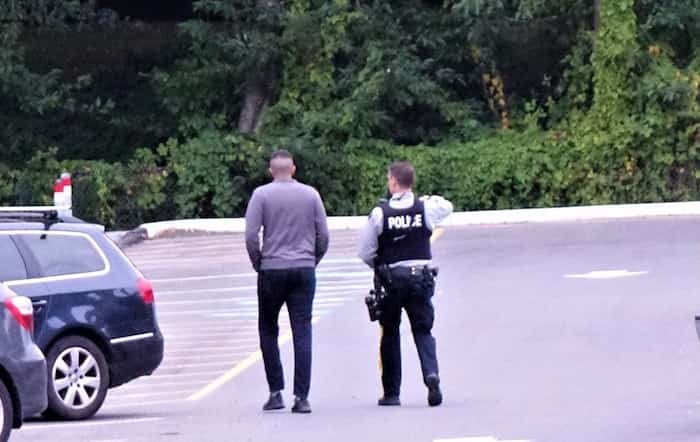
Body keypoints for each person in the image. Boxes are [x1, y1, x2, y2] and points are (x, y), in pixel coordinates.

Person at [358, 160, 453, 407]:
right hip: (420, 278)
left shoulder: (380, 213)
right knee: (423, 331)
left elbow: (365, 251)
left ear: (393, 182)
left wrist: (380, 267)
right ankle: (431, 375)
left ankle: (391, 393)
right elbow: (447, 206)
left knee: (389, 333)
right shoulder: (425, 208)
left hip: (392, 280)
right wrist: (425, 198)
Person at [245, 149, 329, 414]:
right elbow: (323, 234)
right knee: (302, 331)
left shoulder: (261, 195)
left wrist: (259, 262)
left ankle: (275, 391)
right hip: (303, 268)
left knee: (268, 329)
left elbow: (250, 235)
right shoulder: (311, 194)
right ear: (293, 169)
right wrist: (312, 259)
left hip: (272, 268)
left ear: (271, 171)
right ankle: (301, 397)